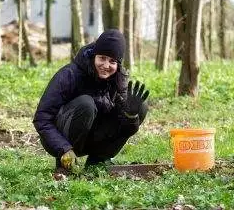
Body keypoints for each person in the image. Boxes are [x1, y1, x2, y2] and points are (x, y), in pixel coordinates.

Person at [33, 29, 149, 173]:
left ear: (118, 64)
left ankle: (98, 161)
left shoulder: (119, 81)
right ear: (94, 55)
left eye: (112, 61)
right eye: (102, 58)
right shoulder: (69, 75)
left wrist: (131, 117)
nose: (106, 65)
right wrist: (63, 148)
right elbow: (42, 118)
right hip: (63, 139)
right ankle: (65, 165)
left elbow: (124, 130)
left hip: (93, 137)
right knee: (86, 104)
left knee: (140, 107)